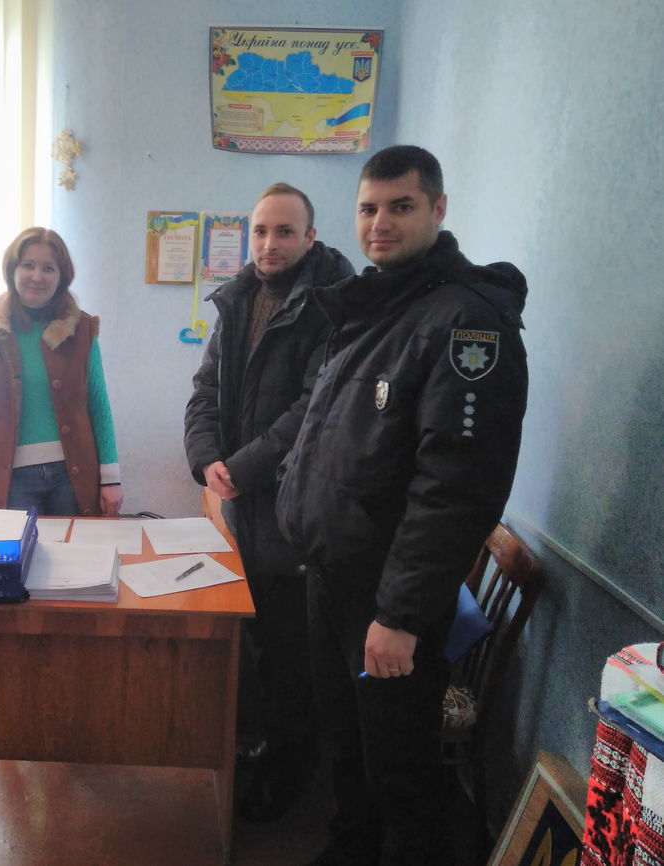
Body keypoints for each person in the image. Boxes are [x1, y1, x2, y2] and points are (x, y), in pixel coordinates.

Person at [275, 145, 529, 865]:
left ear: (438, 209)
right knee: (346, 747)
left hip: (387, 598)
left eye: (401, 207)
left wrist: (401, 616)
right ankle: (348, 849)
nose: (380, 223)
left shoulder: (466, 321)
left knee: (398, 772)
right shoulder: (378, 304)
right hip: (333, 575)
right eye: (368, 209)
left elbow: (455, 489)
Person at [184, 183, 354, 821]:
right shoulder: (238, 299)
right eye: (260, 230)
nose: (269, 243)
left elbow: (312, 409)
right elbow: (205, 390)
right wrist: (207, 460)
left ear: (310, 236)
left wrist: (242, 468)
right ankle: (258, 755)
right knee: (252, 644)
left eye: (284, 231)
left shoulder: (332, 303)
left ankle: (289, 778)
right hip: (242, 505)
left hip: (296, 510)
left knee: (290, 654)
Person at [0, 227, 122, 517]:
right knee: (16, 547)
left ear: (61, 277)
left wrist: (111, 478)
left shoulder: (81, 331)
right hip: (10, 479)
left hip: (73, 476)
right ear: (12, 270)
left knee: (75, 546)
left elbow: (99, 406)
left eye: (48, 268)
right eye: (28, 265)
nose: (37, 276)